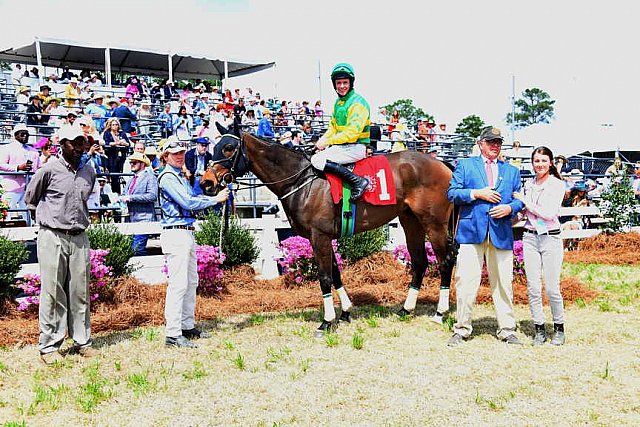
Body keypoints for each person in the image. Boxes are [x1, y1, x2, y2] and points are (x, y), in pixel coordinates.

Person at [24, 125, 98, 364]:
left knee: (80, 291)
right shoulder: (48, 169)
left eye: (81, 142)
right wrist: (49, 221)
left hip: (79, 236)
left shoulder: (89, 171)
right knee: (52, 291)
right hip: (52, 235)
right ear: (62, 144)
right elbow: (31, 199)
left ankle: (82, 341)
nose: (78, 147)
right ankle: (49, 346)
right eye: (73, 143)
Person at [447, 126, 525, 346]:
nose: (495, 146)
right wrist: (476, 193)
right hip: (472, 233)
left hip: (501, 232)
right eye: (491, 141)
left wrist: (510, 209)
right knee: (466, 282)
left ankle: (507, 329)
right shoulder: (465, 165)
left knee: (503, 283)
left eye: (498, 142)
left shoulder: (512, 171)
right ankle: (461, 329)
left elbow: (520, 199)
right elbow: (452, 193)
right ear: (480, 143)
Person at [158, 137, 229, 348]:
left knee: (191, 282)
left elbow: (192, 199)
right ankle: (173, 332)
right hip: (176, 232)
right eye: (174, 153)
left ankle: (187, 326)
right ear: (165, 156)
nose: (179, 156)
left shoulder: (179, 176)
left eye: (181, 152)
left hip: (186, 231)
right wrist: (215, 200)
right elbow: (188, 202)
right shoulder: (168, 178)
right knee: (179, 284)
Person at [512, 146, 566, 346]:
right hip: (530, 238)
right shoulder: (529, 184)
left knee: (552, 288)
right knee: (533, 287)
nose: (540, 164)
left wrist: (523, 200)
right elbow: (525, 213)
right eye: (536, 161)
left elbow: (548, 213)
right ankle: (539, 328)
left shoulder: (557, 185)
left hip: (550, 238)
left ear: (550, 162)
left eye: (544, 161)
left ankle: (559, 327)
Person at [312, 63, 370, 202]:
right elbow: (333, 127)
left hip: (356, 147)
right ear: (334, 84)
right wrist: (321, 141)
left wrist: (328, 141)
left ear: (351, 83)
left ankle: (358, 182)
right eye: (339, 83)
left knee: (317, 160)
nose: (342, 86)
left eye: (345, 82)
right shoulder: (338, 102)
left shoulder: (358, 103)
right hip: (343, 146)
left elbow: (352, 134)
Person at [0, 124, 42, 220]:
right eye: (22, 134)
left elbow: (39, 167)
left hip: (29, 187)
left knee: (29, 213)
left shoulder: (33, 151)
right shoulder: (7, 148)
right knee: (7, 212)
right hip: (11, 186)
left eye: (27, 134)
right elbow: (1, 165)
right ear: (16, 135)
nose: (25, 136)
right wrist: (18, 167)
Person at [120, 152, 157, 256]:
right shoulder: (131, 179)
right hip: (131, 219)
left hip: (143, 218)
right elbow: (125, 194)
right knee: (133, 249)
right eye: (131, 162)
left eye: (134, 162)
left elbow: (152, 196)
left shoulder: (150, 177)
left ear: (142, 164)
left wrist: (131, 198)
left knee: (138, 249)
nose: (132, 164)